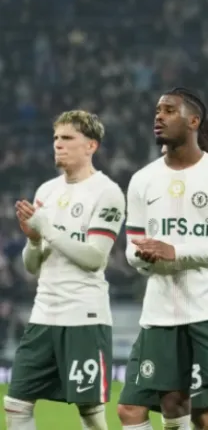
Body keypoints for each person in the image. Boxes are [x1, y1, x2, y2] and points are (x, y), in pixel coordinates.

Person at [122, 87, 208, 430]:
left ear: (194, 121)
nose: (159, 116)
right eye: (157, 110)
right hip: (160, 313)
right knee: (171, 403)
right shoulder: (142, 180)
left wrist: (176, 252)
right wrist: (144, 257)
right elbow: (130, 249)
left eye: (169, 110)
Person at [3, 111, 125, 430]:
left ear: (91, 146)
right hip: (43, 314)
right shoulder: (47, 191)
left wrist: (47, 228)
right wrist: (33, 240)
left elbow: (94, 258)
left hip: (84, 316)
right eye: (56, 138)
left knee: (90, 412)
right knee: (15, 405)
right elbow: (31, 266)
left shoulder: (107, 193)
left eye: (68, 138)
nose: (58, 144)